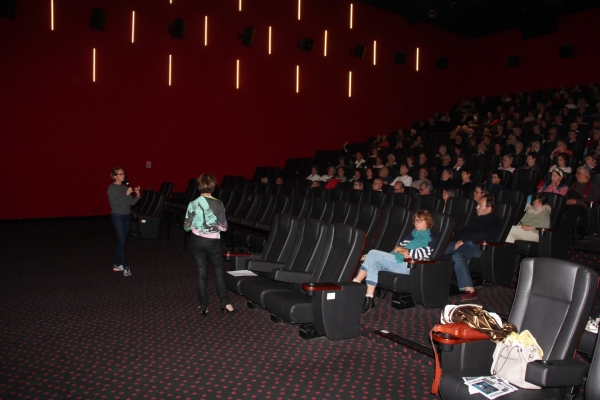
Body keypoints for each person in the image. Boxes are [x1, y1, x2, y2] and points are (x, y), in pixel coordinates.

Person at [353, 210, 436, 314]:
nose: (417, 222)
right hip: (398, 262)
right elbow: (397, 249)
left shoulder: (429, 239)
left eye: (420, 220)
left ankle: (354, 286)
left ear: (427, 222)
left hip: (410, 266)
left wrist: (403, 250)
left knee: (372, 253)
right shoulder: (411, 235)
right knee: (373, 263)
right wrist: (403, 251)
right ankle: (369, 300)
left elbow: (418, 255)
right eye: (415, 220)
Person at [184, 174, 234, 316]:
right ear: (213, 186)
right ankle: (225, 303)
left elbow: (186, 227)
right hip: (212, 242)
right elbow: (224, 227)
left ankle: (203, 306)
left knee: (201, 273)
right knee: (218, 272)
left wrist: (197, 225)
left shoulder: (192, 203)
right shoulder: (218, 203)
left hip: (196, 241)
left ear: (198, 186)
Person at [444, 195, 502, 302]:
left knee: (458, 255)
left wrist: (464, 239)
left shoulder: (494, 220)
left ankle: (470, 290)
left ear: (489, 208)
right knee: (438, 248)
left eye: (480, 205)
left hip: (477, 246)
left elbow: (487, 235)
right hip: (465, 242)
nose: (477, 207)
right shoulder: (478, 219)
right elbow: (464, 232)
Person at [107, 167, 141, 277]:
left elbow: (131, 203)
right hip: (118, 216)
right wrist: (126, 194)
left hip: (127, 215)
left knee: (122, 241)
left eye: (123, 173)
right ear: (115, 176)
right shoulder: (111, 188)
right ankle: (126, 267)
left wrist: (138, 194)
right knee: (121, 241)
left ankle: (117, 264)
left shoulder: (124, 187)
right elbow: (114, 204)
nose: (123, 175)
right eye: (120, 174)